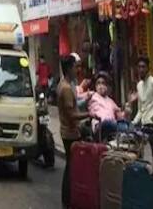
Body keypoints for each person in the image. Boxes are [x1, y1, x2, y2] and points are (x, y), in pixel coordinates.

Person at [58, 54, 88, 209]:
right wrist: (89, 114)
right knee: (71, 167)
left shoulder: (64, 84)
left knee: (71, 166)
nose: (78, 70)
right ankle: (67, 200)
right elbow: (72, 115)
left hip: (68, 131)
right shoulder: (66, 89)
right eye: (75, 67)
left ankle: (67, 199)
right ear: (69, 68)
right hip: (69, 132)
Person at [87, 72, 126, 141]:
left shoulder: (110, 101)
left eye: (103, 83)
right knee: (108, 123)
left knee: (126, 123)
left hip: (112, 125)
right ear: (95, 86)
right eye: (98, 83)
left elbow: (120, 115)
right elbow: (85, 103)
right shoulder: (93, 96)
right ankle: (126, 131)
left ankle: (132, 132)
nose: (100, 85)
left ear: (107, 86)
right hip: (100, 125)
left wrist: (127, 109)